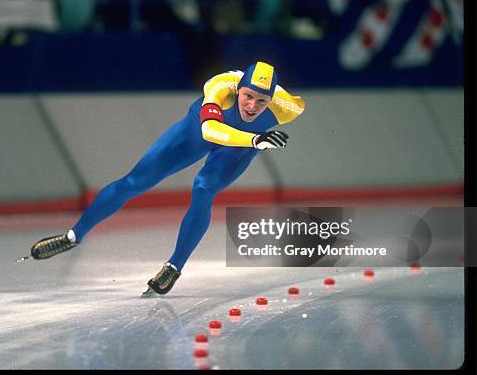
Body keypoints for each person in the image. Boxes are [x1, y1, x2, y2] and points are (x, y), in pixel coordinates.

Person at [28, 61, 305, 295]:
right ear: (238, 88)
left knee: (204, 187)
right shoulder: (220, 87)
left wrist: (251, 142)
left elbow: (298, 105)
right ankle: (74, 235)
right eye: (248, 96)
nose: (253, 106)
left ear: (271, 101)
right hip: (201, 131)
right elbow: (211, 131)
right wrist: (256, 139)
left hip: (239, 147)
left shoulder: (287, 108)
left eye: (261, 101)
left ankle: (174, 267)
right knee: (134, 182)